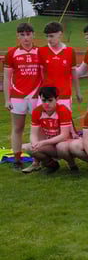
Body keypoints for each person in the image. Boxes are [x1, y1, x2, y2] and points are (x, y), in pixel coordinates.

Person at [3, 22, 42, 170]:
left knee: (38, 129)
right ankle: (17, 160)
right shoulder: (12, 53)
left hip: (36, 96)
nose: (26, 38)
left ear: (33, 35)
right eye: (22, 35)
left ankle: (38, 160)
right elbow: (7, 78)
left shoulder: (40, 52)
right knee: (18, 128)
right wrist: (7, 99)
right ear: (17, 36)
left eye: (28, 34)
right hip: (17, 96)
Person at [22, 86, 78, 174]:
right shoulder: (37, 111)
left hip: (66, 144)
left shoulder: (63, 110)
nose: (47, 103)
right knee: (30, 148)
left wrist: (43, 142)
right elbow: (33, 134)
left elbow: (64, 135)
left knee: (61, 147)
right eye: (44, 100)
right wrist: (34, 144)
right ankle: (52, 165)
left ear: (57, 99)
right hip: (51, 145)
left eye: (50, 100)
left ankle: (72, 165)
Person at [39, 21, 82, 110]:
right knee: (46, 122)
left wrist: (78, 92)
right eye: (47, 36)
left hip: (64, 95)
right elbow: (41, 74)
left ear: (60, 34)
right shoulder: (41, 51)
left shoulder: (70, 51)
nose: (49, 39)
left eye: (51, 36)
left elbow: (74, 73)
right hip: (46, 96)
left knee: (64, 122)